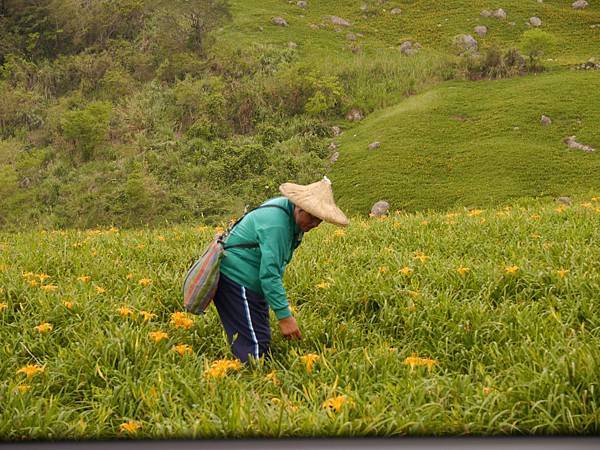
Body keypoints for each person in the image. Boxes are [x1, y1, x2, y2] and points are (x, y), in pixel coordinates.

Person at [213, 176, 349, 363]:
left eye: (320, 220)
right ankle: (248, 383)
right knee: (255, 349)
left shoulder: (289, 212)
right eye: (312, 217)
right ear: (300, 207)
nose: (315, 224)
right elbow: (270, 274)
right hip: (237, 280)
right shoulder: (277, 224)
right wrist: (285, 318)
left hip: (251, 282)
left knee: (260, 338)